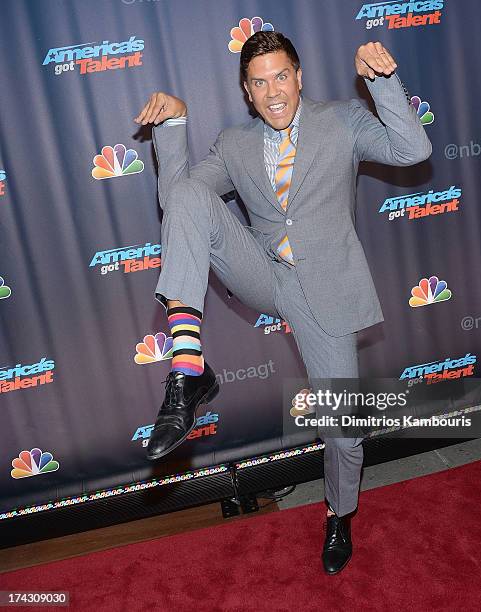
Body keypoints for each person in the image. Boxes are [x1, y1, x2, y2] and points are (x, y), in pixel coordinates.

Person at [134, 31, 431, 575]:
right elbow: (181, 203)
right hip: (265, 275)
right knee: (188, 197)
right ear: (246, 91)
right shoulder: (234, 143)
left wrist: (383, 82)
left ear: (299, 77)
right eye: (259, 82)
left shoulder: (342, 119)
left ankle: (339, 514)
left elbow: (413, 150)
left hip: (326, 292)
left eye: (281, 77)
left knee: (344, 431)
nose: (273, 92)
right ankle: (187, 367)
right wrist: (174, 125)